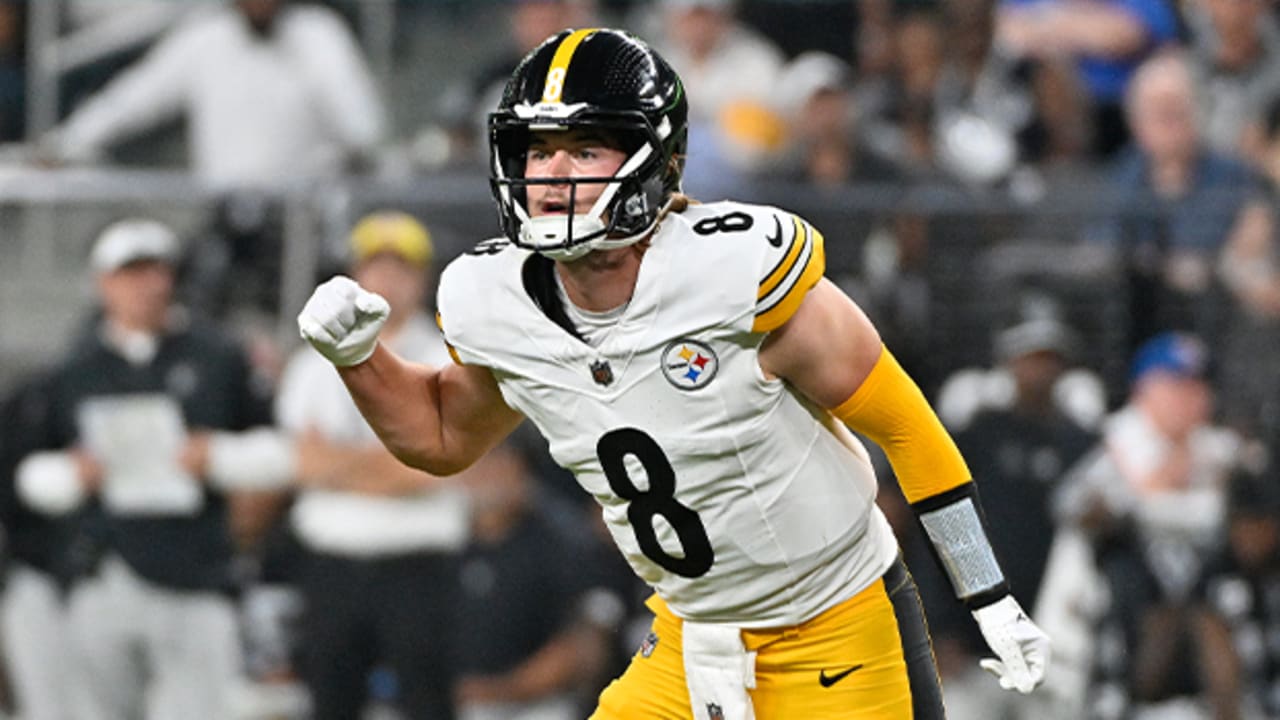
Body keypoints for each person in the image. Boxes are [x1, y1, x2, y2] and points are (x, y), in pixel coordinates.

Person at [296, 28, 1050, 719]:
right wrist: (361, 361)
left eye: (585, 149)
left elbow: (905, 425)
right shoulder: (494, 301)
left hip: (839, 632)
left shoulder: (736, 276)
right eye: (537, 150)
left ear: (654, 163)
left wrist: (988, 594)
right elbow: (439, 438)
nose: (552, 174)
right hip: (693, 641)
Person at [13, 217, 293, 720]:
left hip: (196, 569)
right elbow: (30, 475)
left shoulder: (218, 355)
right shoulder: (73, 368)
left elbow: (279, 452)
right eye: (130, 272)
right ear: (103, 283)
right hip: (105, 570)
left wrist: (218, 457)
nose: (146, 285)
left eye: (156, 270)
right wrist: (72, 473)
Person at [275, 210, 467, 720]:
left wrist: (346, 466)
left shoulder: (448, 356)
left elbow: (432, 467)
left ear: (422, 279)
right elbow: (304, 463)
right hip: (332, 562)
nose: (387, 280)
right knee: (329, 701)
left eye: (401, 268)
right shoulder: (311, 360)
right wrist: (394, 462)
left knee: (428, 702)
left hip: (417, 562)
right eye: (375, 266)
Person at [1041, 331, 1243, 718]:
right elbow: (1066, 507)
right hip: (1104, 639)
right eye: (1177, 385)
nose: (1192, 397)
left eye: (1198, 385)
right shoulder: (1110, 439)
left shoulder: (1220, 450)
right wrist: (1139, 491)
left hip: (1194, 644)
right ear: (1144, 389)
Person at [40, 0, 385, 191]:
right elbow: (132, 100)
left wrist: (355, 150)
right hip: (224, 209)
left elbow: (362, 125)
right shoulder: (204, 37)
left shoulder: (317, 32)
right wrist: (66, 142)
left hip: (303, 210)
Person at [451, 440, 613, 720]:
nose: (489, 472)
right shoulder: (437, 542)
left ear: (523, 470)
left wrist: (500, 691)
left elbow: (585, 647)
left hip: (536, 706)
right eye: (480, 461)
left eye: (502, 460)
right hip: (446, 701)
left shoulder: (562, 542)